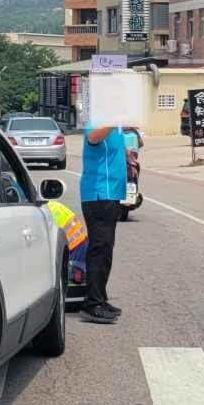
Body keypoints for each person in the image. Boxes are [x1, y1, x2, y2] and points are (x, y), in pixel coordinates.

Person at [79, 121, 133, 322]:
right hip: (98, 193)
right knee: (99, 249)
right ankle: (91, 304)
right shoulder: (97, 118)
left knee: (106, 250)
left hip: (111, 194)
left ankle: (100, 299)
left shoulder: (115, 124)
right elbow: (93, 137)